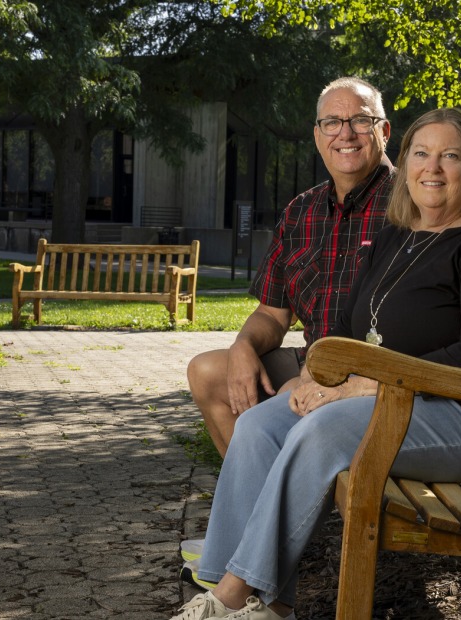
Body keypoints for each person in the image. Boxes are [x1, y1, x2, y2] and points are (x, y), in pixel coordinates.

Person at [169, 107, 461, 620]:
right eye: (422, 154)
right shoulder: (396, 237)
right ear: (405, 165)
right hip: (391, 400)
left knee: (326, 428)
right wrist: (312, 375)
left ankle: (231, 598)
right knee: (259, 424)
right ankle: (268, 607)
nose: (433, 168)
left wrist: (364, 386)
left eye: (450, 156)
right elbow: (345, 328)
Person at [186, 76, 394, 459]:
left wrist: (311, 381)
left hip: (373, 375)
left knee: (286, 398)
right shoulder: (302, 211)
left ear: (383, 130)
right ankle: (260, 496)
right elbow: (272, 312)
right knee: (208, 371)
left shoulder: (410, 205)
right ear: (318, 137)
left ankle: (270, 507)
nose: (345, 134)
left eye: (360, 121)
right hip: (312, 359)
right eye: (332, 122)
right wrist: (243, 346)